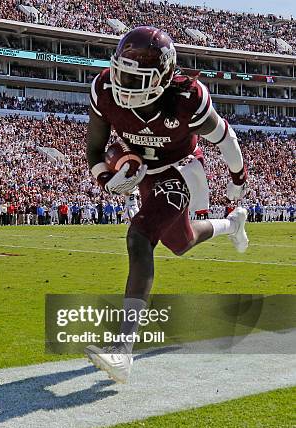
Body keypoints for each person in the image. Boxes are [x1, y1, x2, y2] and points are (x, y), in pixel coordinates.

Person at [83, 27, 249, 383]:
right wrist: (106, 179)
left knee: (139, 237)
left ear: (163, 77)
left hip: (182, 169)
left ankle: (123, 349)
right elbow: (95, 151)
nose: (124, 83)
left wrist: (237, 179)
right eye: (121, 72)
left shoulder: (187, 99)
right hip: (146, 174)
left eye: (136, 76)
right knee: (182, 242)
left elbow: (225, 136)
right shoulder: (103, 90)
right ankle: (232, 224)